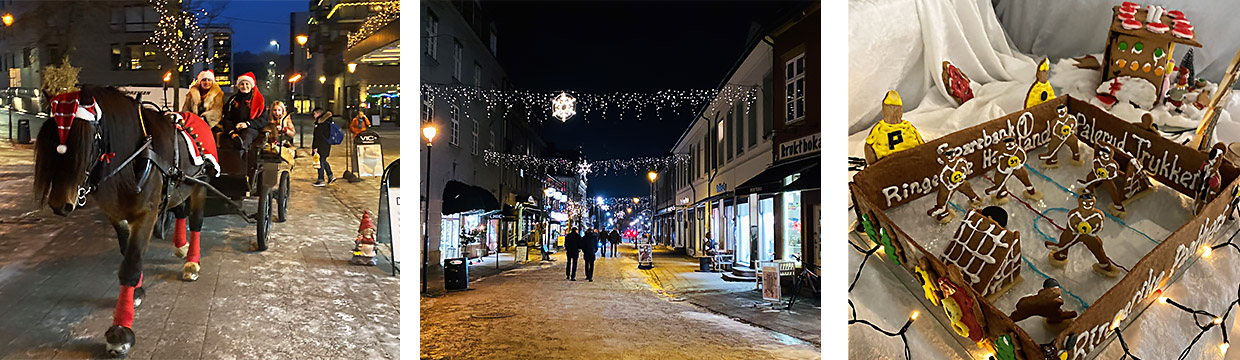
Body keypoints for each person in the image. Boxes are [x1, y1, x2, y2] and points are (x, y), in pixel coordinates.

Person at [864, 90, 923, 164]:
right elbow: (868, 147)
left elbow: (868, 146)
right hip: (888, 164)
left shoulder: (908, 127)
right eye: (892, 108)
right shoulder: (879, 129)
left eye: (896, 109)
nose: (894, 112)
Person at [221, 72, 266, 155]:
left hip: (251, 128)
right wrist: (231, 132)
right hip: (234, 128)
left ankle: (241, 160)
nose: (244, 86)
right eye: (242, 84)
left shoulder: (259, 101)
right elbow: (227, 117)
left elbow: (263, 120)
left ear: (251, 85)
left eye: (247, 84)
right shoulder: (232, 100)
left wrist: (247, 124)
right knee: (225, 141)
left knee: (245, 138)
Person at [311, 107, 337, 186]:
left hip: (321, 145)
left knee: (320, 162)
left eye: (315, 114)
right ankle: (330, 176)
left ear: (319, 113)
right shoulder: (327, 122)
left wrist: (315, 147)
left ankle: (321, 179)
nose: (314, 116)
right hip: (326, 144)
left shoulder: (321, 123)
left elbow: (317, 136)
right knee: (323, 160)